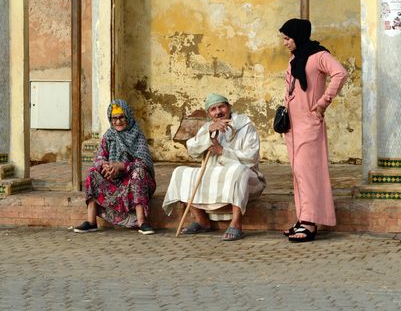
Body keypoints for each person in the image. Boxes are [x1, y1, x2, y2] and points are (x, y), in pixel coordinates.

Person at [279, 18, 348, 242]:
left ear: (298, 36)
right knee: (298, 173)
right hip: (292, 125)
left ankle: (310, 223)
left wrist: (323, 102)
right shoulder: (295, 58)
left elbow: (340, 73)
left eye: (287, 38)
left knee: (307, 171)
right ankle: (303, 218)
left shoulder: (319, 55)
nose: (285, 43)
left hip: (309, 123)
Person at [163, 93, 266, 241]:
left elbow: (251, 158)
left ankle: (236, 224)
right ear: (209, 114)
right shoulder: (208, 127)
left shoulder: (245, 125)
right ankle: (201, 220)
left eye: (221, 107)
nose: (218, 112)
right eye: (213, 109)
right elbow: (192, 150)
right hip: (216, 177)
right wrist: (208, 134)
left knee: (238, 172)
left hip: (248, 179)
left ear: (229, 107)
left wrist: (222, 152)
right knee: (180, 173)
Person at [74, 99, 156, 235]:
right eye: (114, 118)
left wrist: (122, 166)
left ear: (128, 116)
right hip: (114, 179)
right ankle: (91, 221)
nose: (118, 122)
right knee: (93, 173)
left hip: (133, 179)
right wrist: (106, 167)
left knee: (139, 173)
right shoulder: (108, 136)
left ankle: (142, 222)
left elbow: (144, 162)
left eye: (121, 117)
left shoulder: (137, 135)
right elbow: (99, 158)